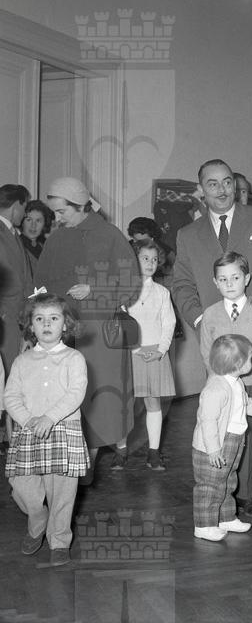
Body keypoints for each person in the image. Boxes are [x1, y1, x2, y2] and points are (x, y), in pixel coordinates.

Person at [172, 159, 252, 504]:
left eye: (227, 182)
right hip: (220, 342)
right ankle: (238, 490)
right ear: (202, 191)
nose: (222, 189)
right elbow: (181, 284)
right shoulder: (188, 234)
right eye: (213, 184)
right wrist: (200, 319)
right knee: (229, 412)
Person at [35, 177, 141, 484]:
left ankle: (86, 465)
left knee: (98, 400)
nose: (57, 219)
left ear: (81, 205)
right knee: (60, 396)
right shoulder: (56, 239)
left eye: (62, 211)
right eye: (55, 213)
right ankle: (66, 465)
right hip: (60, 332)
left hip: (98, 334)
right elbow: (40, 284)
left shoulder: (110, 235)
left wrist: (94, 288)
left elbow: (131, 283)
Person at [4, 292, 88, 567]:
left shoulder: (74, 358)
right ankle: (37, 518)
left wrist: (50, 418)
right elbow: (10, 397)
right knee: (20, 484)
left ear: (65, 324)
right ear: (31, 325)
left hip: (63, 431)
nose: (47, 323)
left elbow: (76, 393)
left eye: (54, 318)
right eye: (39, 319)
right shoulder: (22, 361)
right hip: (29, 431)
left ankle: (59, 540)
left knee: (62, 492)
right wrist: (28, 420)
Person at [199, 251, 252, 518]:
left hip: (251, 383)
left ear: (247, 278)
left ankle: (245, 495)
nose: (229, 283)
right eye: (223, 279)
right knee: (222, 436)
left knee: (246, 439)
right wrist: (221, 379)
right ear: (215, 282)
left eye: (235, 277)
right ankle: (221, 491)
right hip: (221, 387)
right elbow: (207, 351)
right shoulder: (210, 314)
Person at [192, 334, 252, 543]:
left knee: (228, 480)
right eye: (250, 358)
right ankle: (204, 525)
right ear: (238, 364)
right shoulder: (216, 388)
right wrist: (213, 450)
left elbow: (246, 405)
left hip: (234, 440)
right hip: (214, 445)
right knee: (210, 486)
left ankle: (225, 518)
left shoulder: (236, 382)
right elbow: (208, 421)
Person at [111, 240, 176, 471]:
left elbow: (169, 323)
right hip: (129, 353)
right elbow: (119, 322)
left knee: (152, 401)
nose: (150, 263)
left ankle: (154, 452)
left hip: (154, 353)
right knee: (123, 404)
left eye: (154, 259)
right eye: (145, 258)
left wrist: (161, 350)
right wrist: (134, 348)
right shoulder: (123, 291)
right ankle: (121, 451)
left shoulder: (162, 292)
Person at [0, 184, 33, 372]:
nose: (25, 213)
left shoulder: (13, 234)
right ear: (16, 205)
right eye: (25, 207)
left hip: (17, 320)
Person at [127, 216, 176, 288]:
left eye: (144, 242)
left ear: (152, 239)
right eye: (136, 241)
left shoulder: (167, 254)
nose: (140, 245)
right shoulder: (126, 249)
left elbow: (171, 281)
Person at [19, 200, 54, 278]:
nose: (33, 225)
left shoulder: (44, 246)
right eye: (29, 220)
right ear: (22, 222)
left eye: (38, 221)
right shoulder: (16, 245)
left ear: (44, 224)